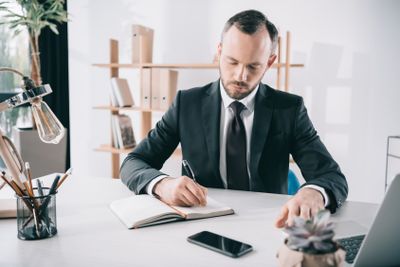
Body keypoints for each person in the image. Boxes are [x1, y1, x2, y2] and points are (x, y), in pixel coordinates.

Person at [120, 9, 348, 228]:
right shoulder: (186, 104)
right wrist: (162, 184)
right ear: (219, 52)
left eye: (253, 66)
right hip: (201, 222)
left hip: (269, 223)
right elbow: (133, 163)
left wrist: (314, 192)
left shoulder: (289, 109)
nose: (241, 75)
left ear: (269, 62)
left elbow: (331, 176)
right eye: (232, 61)